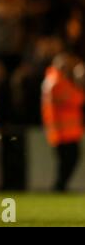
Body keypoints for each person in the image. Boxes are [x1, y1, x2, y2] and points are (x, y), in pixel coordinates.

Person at [41, 51, 84, 191]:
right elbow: (76, 98)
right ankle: (59, 187)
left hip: (66, 131)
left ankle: (60, 187)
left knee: (68, 161)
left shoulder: (57, 80)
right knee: (68, 161)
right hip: (63, 132)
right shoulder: (56, 82)